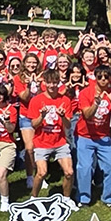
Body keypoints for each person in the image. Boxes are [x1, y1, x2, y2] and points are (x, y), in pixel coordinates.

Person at [26, 69, 75, 199]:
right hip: (42, 142)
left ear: (59, 83)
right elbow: (33, 125)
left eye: (55, 82)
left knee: (69, 172)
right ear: (44, 83)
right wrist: (42, 116)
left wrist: (63, 116)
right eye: (49, 83)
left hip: (60, 142)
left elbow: (68, 125)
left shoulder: (65, 100)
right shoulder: (36, 100)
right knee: (42, 173)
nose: (52, 86)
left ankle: (66, 199)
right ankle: (34, 197)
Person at [74, 68, 111, 208]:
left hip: (103, 137)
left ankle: (109, 198)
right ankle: (83, 198)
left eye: (106, 77)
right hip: (85, 135)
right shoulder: (85, 93)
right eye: (100, 77)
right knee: (85, 167)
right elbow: (87, 115)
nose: (103, 80)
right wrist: (96, 103)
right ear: (95, 78)